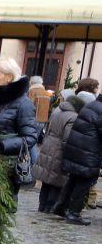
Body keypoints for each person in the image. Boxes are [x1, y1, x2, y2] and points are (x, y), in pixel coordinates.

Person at [0, 56, 39, 196]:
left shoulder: (24, 104)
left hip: (4, 167)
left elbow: (30, 138)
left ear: (9, 77)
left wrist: (0, 145)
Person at [33, 87, 96, 213]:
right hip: (59, 152)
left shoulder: (59, 111)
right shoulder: (73, 117)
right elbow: (67, 138)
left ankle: (42, 206)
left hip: (49, 147)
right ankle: (50, 208)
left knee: (47, 180)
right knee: (56, 181)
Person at [54, 85, 102, 225]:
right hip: (88, 152)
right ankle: (74, 213)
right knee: (83, 182)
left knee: (73, 179)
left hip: (78, 149)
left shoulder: (93, 105)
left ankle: (60, 206)